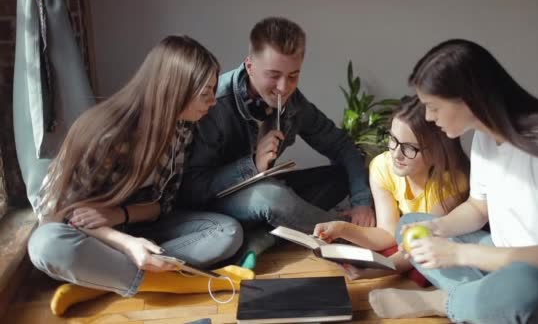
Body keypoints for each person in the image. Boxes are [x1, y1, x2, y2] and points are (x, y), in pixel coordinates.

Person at [368, 39, 538, 323]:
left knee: (520, 285)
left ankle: (446, 301)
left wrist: (458, 254)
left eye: (433, 107)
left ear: (468, 98)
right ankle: (487, 304)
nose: (430, 118)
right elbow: (477, 208)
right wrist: (436, 226)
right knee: (411, 227)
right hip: (508, 261)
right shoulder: (485, 137)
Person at [27, 36, 253, 316]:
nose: (212, 102)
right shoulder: (105, 133)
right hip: (92, 239)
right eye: (205, 93)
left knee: (227, 232)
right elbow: (56, 211)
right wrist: (126, 244)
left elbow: (165, 205)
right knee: (45, 246)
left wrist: (120, 214)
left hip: (136, 228)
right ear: (175, 89)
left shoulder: (183, 129)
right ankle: (175, 281)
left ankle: (96, 282)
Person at [178, 17, 375, 268]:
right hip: (215, 207)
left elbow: (341, 146)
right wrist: (251, 165)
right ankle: (349, 237)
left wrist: (361, 203)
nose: (284, 87)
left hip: (268, 193)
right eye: (273, 76)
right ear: (249, 66)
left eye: (293, 76)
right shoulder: (215, 103)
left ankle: (262, 238)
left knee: (339, 176)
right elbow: (192, 190)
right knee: (271, 197)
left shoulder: (293, 103)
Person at [313, 95, 469, 280]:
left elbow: (424, 244)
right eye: (393, 139)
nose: (396, 154)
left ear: (437, 151)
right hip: (415, 240)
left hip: (444, 242)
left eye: (410, 148)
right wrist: (341, 229)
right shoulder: (383, 166)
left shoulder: (451, 182)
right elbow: (387, 234)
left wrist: (378, 271)